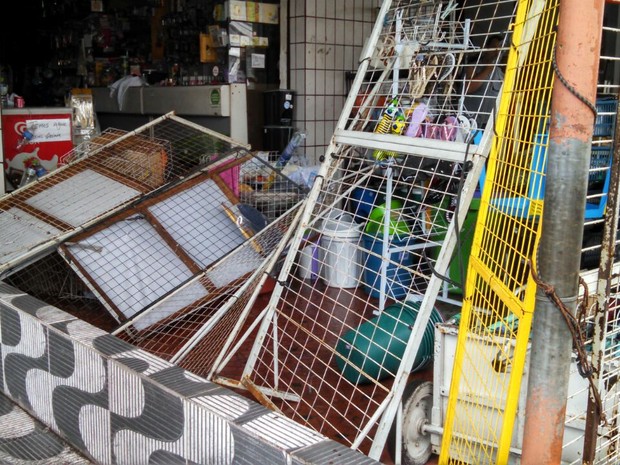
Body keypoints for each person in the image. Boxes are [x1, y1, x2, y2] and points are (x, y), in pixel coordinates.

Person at [462, 34, 505, 129]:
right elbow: (468, 88)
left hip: (491, 125)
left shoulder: (500, 73)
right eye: (494, 48)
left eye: (500, 49)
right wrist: (487, 70)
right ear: (486, 48)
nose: (497, 52)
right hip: (471, 123)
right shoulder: (472, 67)